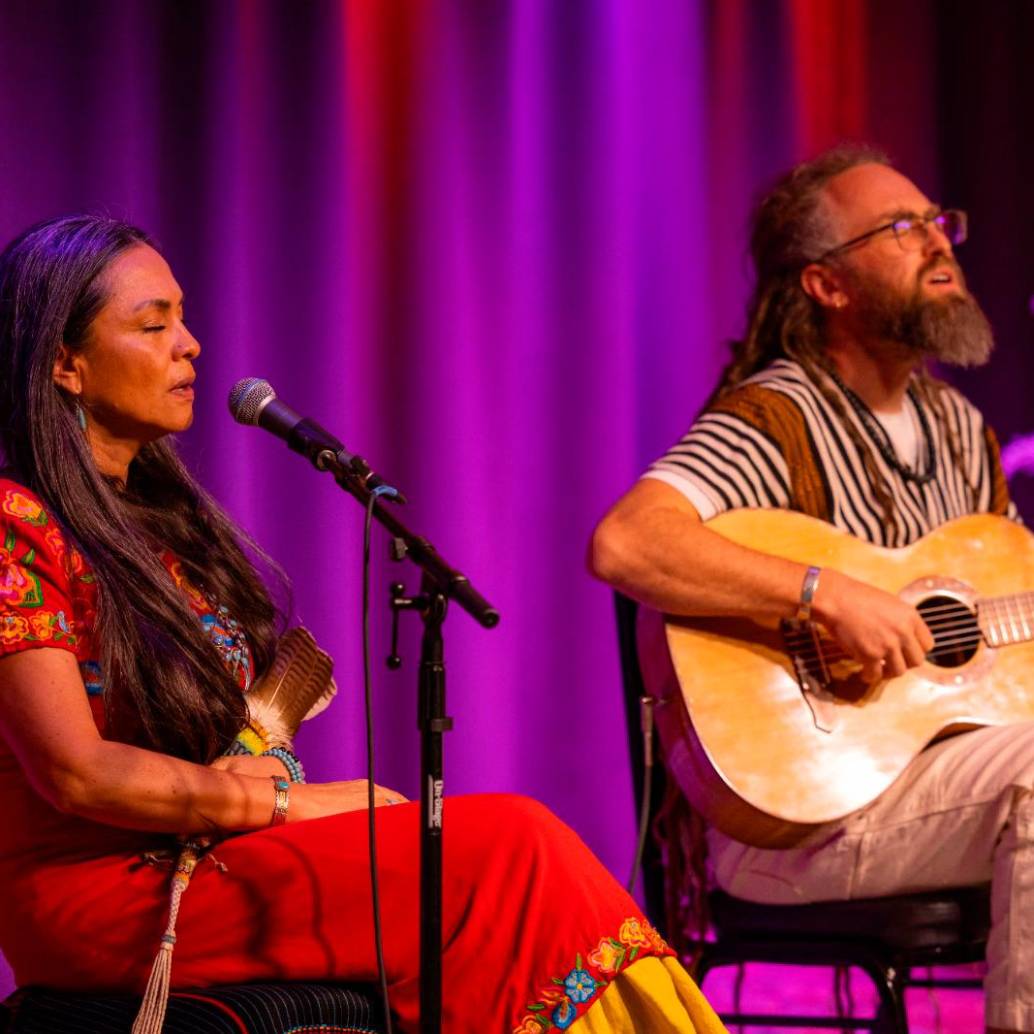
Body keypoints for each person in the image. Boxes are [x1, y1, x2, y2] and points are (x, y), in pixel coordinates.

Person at [0, 214, 726, 1034]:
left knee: (495, 858)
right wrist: (287, 806)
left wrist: (264, 767)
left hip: (196, 855)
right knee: (511, 849)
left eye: (184, 318)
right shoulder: (16, 524)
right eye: (153, 324)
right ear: (64, 363)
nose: (191, 345)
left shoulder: (157, 529)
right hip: (100, 896)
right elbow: (76, 774)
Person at [590, 144, 1032, 1034]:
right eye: (902, 228)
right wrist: (825, 593)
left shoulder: (959, 427)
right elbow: (626, 542)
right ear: (827, 285)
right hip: (798, 820)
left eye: (938, 222)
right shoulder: (773, 416)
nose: (938, 242)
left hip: (944, 787)